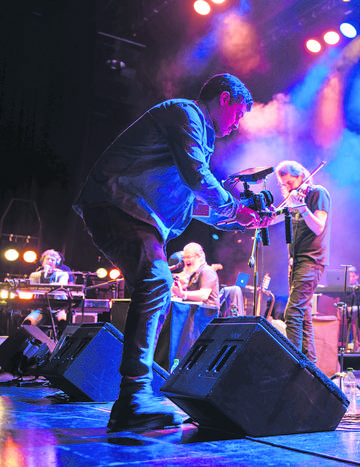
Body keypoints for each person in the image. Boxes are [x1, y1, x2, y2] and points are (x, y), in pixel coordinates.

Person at [73, 73, 260, 432]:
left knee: (155, 289)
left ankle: (134, 395)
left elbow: (192, 205)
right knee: (158, 281)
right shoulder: (185, 113)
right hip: (118, 203)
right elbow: (198, 178)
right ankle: (133, 397)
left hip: (131, 212)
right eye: (238, 113)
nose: (237, 125)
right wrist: (234, 209)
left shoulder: (195, 135)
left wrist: (241, 220)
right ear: (224, 99)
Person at [275, 160, 331, 364]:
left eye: (289, 183)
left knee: (293, 312)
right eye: (282, 184)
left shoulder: (317, 193)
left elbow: (318, 227)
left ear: (301, 176)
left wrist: (301, 207)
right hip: (296, 262)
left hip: (312, 260)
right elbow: (274, 219)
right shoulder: (293, 200)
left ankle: (293, 365)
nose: (286, 188)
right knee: (304, 316)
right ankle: (310, 366)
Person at [168, 242, 220, 370]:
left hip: (204, 318)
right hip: (194, 316)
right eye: (184, 257)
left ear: (200, 256)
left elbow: (203, 295)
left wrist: (183, 294)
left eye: (189, 257)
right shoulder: (195, 273)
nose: (185, 260)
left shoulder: (207, 271)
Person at [23, 249, 72, 329]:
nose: (50, 261)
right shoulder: (35, 275)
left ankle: (61, 339)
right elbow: (31, 288)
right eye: (47, 259)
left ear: (57, 262)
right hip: (39, 308)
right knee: (28, 322)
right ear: (43, 261)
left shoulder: (62, 274)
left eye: (53, 260)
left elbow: (61, 286)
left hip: (58, 308)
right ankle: (32, 340)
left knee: (63, 322)